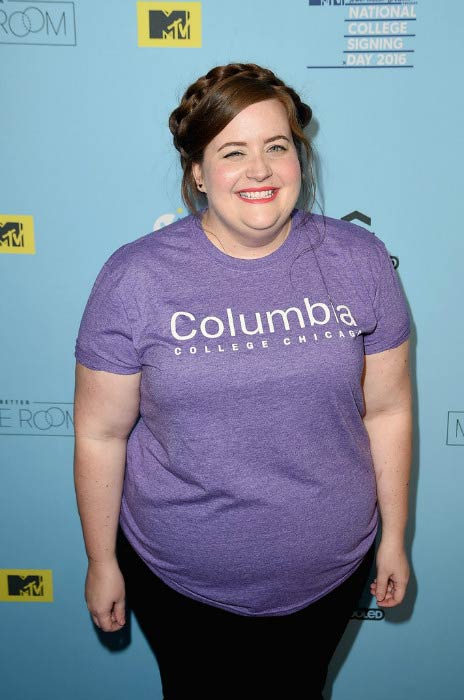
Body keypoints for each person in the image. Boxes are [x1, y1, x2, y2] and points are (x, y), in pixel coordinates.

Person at [73, 63, 412, 699]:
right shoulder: (135, 278)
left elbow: (388, 410)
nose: (259, 171)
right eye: (233, 151)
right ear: (198, 171)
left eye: (276, 147)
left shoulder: (359, 261)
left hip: (330, 570)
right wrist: (101, 561)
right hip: (178, 577)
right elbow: (99, 432)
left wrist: (394, 538)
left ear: (299, 159)